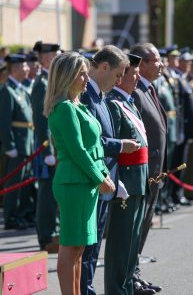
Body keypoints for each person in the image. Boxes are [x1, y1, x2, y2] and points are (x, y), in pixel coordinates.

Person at [43, 51, 115, 295]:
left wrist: (103, 174)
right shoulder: (64, 108)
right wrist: (101, 178)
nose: (86, 78)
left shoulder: (78, 106)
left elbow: (95, 148)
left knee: (80, 248)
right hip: (74, 182)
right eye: (81, 74)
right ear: (67, 77)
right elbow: (78, 151)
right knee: (71, 248)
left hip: (85, 182)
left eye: (86, 73)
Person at [80, 46, 140, 295]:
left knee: (94, 245)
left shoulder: (100, 97)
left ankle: (88, 287)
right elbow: (91, 142)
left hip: (105, 177)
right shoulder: (86, 97)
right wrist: (121, 145)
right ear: (104, 67)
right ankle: (84, 289)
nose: (119, 81)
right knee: (86, 245)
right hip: (91, 179)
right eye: (117, 75)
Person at [105, 53, 155, 295]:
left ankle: (127, 285)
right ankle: (116, 288)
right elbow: (111, 148)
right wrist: (117, 180)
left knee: (133, 239)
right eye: (132, 75)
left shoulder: (129, 101)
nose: (136, 79)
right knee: (121, 240)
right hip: (125, 177)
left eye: (137, 74)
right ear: (118, 77)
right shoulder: (113, 103)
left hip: (139, 177)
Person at [130, 43, 166, 294]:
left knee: (143, 226)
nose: (161, 64)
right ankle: (129, 277)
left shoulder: (148, 89)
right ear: (141, 64)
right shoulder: (134, 92)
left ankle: (135, 273)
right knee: (134, 227)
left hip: (154, 172)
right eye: (156, 60)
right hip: (142, 172)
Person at [31, 41, 61, 253]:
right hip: (47, 147)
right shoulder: (42, 83)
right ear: (47, 58)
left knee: (53, 191)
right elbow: (42, 119)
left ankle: (53, 231)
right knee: (47, 193)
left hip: (55, 145)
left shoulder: (50, 80)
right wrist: (48, 150)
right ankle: (45, 236)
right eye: (56, 56)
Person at [0, 54, 34, 230]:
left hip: (26, 143)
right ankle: (10, 216)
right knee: (13, 183)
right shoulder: (7, 90)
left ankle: (20, 214)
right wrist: (10, 145)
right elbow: (4, 122)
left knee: (23, 182)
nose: (28, 69)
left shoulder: (20, 89)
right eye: (24, 66)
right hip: (17, 145)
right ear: (14, 69)